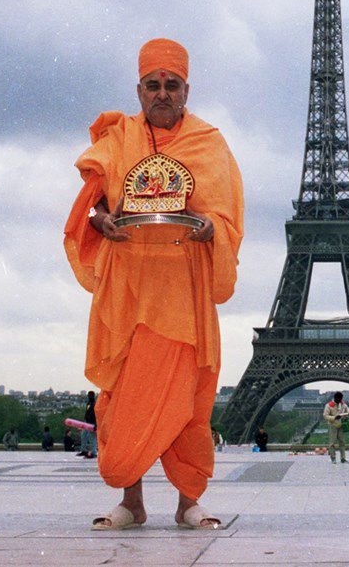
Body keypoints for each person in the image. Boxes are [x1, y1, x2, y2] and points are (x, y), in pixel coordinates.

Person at [63, 38, 244, 531]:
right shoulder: (118, 138)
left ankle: (189, 503)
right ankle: (132, 501)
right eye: (153, 85)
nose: (162, 93)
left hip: (182, 288)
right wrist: (101, 220)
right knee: (125, 398)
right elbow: (93, 203)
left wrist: (211, 229)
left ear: (187, 89)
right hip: (128, 290)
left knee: (189, 401)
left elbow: (224, 216)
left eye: (172, 85)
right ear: (139, 90)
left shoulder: (209, 143)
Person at [323, 391, 349, 464]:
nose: (340, 401)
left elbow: (347, 409)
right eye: (339, 399)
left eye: (341, 399)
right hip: (332, 425)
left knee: (342, 442)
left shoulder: (342, 404)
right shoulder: (329, 405)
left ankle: (343, 458)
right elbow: (325, 416)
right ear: (336, 398)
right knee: (332, 443)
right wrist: (334, 417)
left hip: (341, 425)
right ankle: (333, 458)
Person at [78, 390, 98, 459]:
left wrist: (95, 424)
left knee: (92, 437)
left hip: (92, 422)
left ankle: (94, 452)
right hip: (87, 421)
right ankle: (84, 450)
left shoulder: (95, 404)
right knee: (83, 435)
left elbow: (96, 415)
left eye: (90, 396)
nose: (89, 397)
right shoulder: (89, 403)